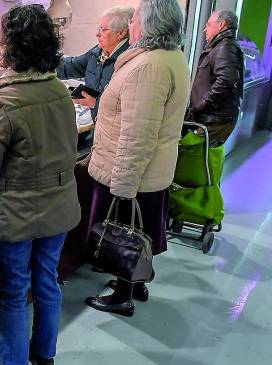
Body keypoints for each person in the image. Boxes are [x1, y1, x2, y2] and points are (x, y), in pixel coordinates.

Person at [0, 4, 80, 365]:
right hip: (59, 208)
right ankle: (44, 352)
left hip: (16, 214)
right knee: (46, 279)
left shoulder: (1, 100)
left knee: (14, 290)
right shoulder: (59, 91)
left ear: (10, 47)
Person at [83, 0, 190, 317]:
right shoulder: (169, 57)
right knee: (141, 232)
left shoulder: (149, 68)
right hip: (151, 169)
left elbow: (138, 135)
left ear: (149, 25)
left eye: (136, 20)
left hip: (132, 171)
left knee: (126, 232)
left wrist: (124, 186)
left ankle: (122, 296)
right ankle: (137, 282)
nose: (131, 25)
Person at [56, 6, 134, 120]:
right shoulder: (97, 52)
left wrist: (95, 103)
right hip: (96, 124)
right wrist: (43, 63)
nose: (97, 34)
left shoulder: (129, 61)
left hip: (113, 130)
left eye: (103, 30)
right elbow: (72, 65)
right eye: (99, 28)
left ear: (121, 33)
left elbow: (129, 109)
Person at [187, 10, 244, 145]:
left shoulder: (226, 47)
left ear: (221, 24)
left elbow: (226, 82)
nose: (204, 30)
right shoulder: (220, 46)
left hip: (214, 119)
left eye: (208, 25)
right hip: (212, 117)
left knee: (196, 156)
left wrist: (200, 106)